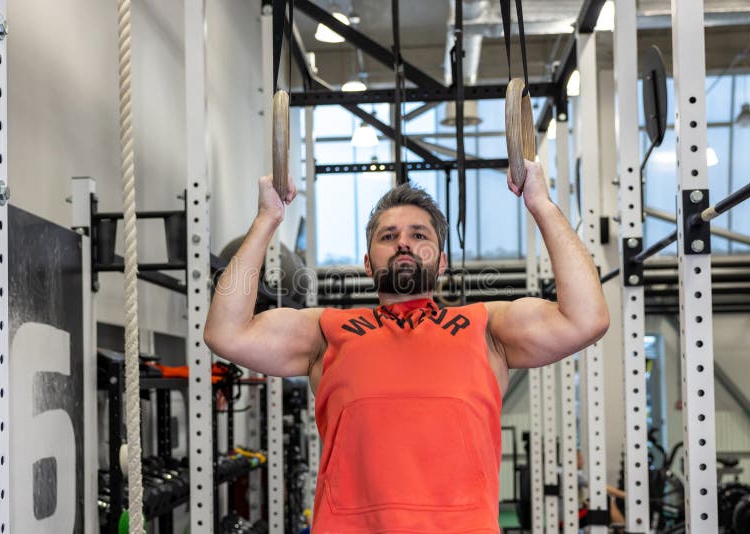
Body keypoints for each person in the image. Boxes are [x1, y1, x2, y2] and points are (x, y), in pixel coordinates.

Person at [204, 161, 609, 533]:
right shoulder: (328, 332)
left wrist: (542, 204)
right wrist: (267, 219)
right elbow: (227, 333)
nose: (403, 244)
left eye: (419, 235)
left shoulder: (485, 328)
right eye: (388, 236)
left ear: (442, 261)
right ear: (367, 262)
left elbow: (586, 319)